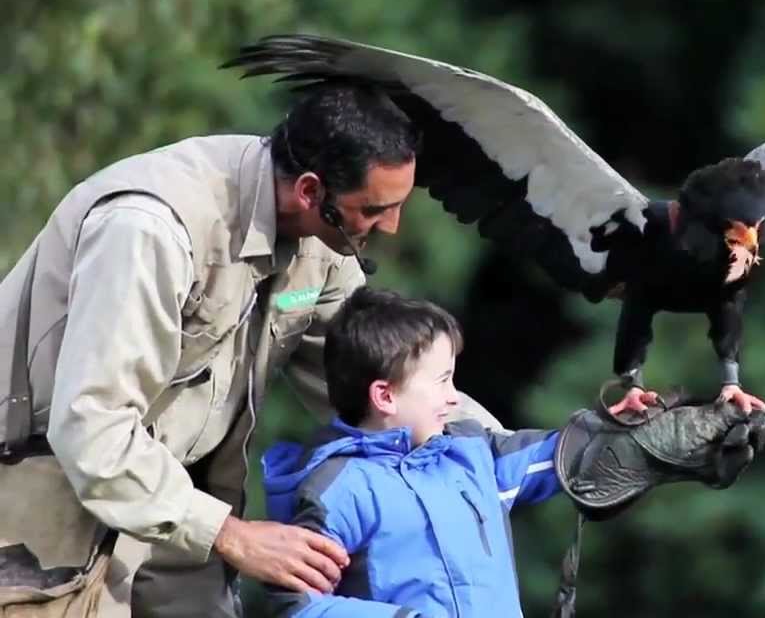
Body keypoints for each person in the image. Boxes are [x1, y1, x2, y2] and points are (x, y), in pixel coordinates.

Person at [0, 85, 503, 617]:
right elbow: (91, 429)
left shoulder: (323, 244)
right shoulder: (150, 230)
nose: (392, 226)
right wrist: (234, 536)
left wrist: (547, 454)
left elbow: (391, 386)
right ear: (311, 192)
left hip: (177, 512)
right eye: (375, 208)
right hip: (44, 500)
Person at [261, 286, 560, 617]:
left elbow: (564, 456)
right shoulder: (339, 489)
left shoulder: (471, 453)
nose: (454, 397)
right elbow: (299, 606)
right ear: (385, 397)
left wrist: (618, 425)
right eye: (443, 380)